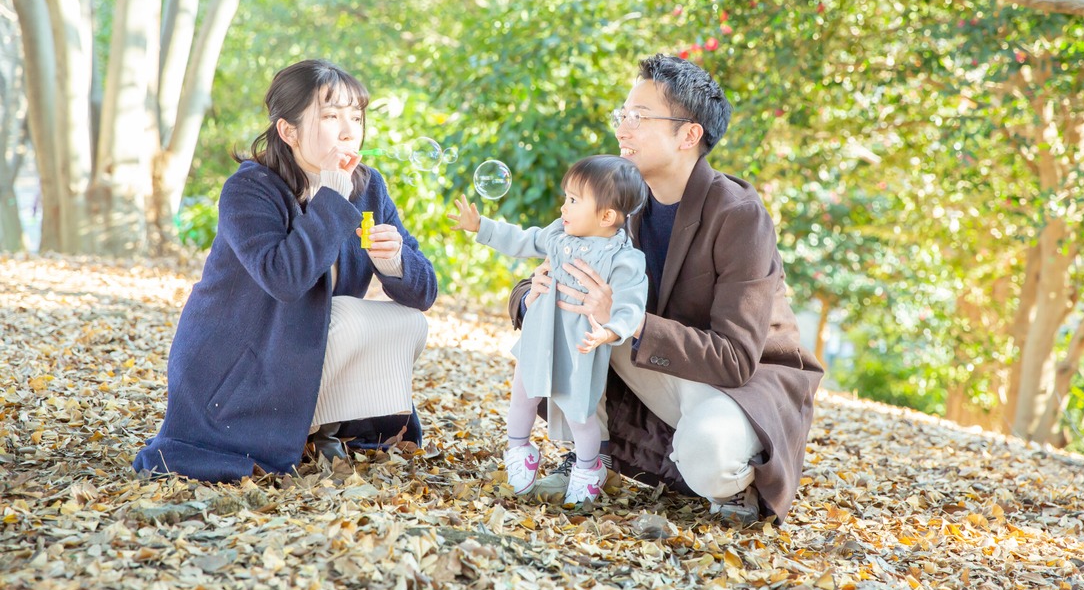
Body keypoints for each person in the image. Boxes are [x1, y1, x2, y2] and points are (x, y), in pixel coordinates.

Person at [509, 54, 824, 524]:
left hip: (737, 385)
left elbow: (735, 359)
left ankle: (735, 485)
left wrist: (629, 320)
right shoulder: (620, 203)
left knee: (710, 455)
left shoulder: (738, 216)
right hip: (658, 370)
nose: (623, 129)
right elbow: (550, 269)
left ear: (688, 135)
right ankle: (591, 458)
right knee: (573, 317)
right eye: (622, 115)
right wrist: (533, 294)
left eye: (639, 117)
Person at [134, 59, 438, 482]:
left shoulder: (368, 187)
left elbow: (425, 294)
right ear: (288, 131)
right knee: (347, 319)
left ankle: (324, 430)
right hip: (237, 364)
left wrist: (395, 260)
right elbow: (285, 279)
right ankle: (293, 432)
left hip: (299, 345)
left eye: (356, 117)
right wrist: (332, 197)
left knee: (408, 322)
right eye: (330, 117)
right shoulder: (249, 189)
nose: (348, 131)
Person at [450, 155, 648, 506]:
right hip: (539, 335)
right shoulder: (558, 234)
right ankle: (519, 450)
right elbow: (524, 239)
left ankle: (588, 468)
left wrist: (610, 331)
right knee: (521, 398)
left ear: (606, 216)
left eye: (573, 200)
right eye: (566, 197)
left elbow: (631, 304)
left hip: (580, 345)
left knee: (581, 415)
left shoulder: (623, 258)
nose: (563, 207)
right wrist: (481, 226)